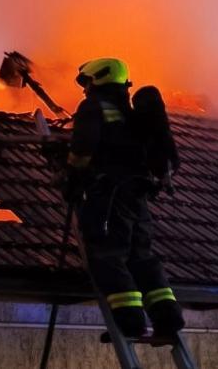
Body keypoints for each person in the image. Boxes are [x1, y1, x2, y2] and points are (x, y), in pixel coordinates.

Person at [63, 57, 185, 338]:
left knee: (108, 256)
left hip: (109, 198)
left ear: (99, 79)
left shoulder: (94, 107)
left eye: (87, 82)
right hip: (138, 199)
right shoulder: (132, 113)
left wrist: (73, 176)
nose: (84, 89)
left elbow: (83, 149)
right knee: (142, 257)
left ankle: (131, 323)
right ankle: (167, 319)